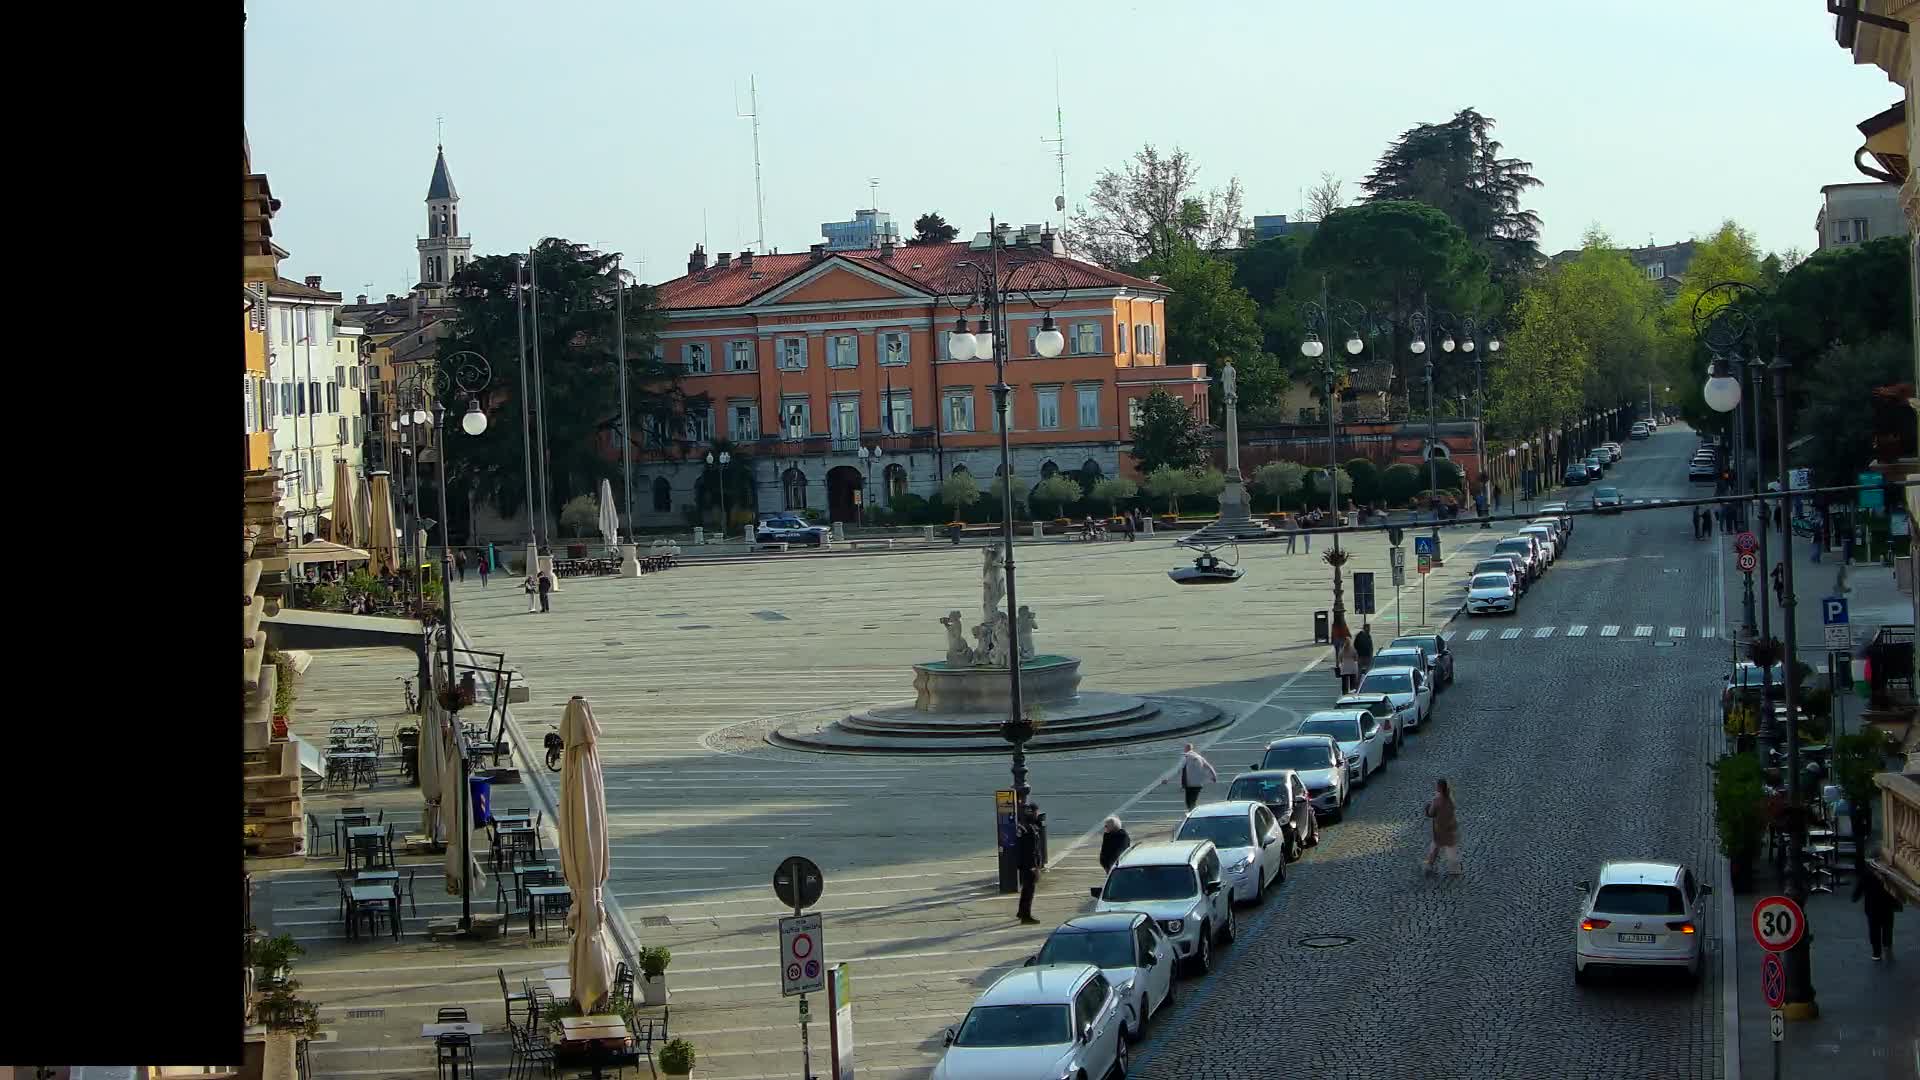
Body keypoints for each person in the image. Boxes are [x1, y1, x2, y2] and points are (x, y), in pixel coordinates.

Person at [1854, 852, 1900, 960]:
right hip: (1886, 906)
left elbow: (1859, 888)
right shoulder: (1888, 874)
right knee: (1887, 927)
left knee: (1874, 929)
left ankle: (1876, 952)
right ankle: (1887, 947)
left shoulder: (1866, 874)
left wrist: (1855, 897)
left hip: (1872, 907)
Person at [1423, 778, 1462, 877]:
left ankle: (1429, 866)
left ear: (1439, 788)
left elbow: (1431, 813)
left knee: (1435, 848)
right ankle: (1455, 870)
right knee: (1451, 849)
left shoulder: (1436, 801)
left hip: (1439, 829)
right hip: (1449, 827)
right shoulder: (1450, 799)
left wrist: (1427, 808)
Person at [1162, 743, 1217, 811]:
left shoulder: (1187, 757)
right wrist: (1213, 776)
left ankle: (1192, 813)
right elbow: (1209, 767)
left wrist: (1168, 779)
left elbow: (1178, 770)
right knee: (1193, 800)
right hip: (1198, 783)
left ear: (1186, 749)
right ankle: (1192, 811)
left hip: (1189, 784)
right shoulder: (1199, 757)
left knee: (1189, 801)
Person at [1015, 804, 1043, 923]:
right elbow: (1032, 850)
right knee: (1029, 890)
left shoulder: (1022, 826)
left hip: (1023, 863)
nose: (1037, 814)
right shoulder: (1031, 829)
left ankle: (1021, 912)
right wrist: (1035, 867)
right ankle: (1026, 915)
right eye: (1036, 812)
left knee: (1026, 889)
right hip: (1029, 864)